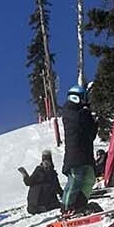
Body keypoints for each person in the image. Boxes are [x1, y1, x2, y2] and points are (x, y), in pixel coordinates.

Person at [60, 84, 97, 213]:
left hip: (86, 154)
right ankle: (66, 207)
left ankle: (80, 204)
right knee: (75, 180)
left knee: (90, 178)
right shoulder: (69, 110)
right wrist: (86, 112)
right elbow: (77, 120)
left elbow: (91, 133)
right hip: (75, 154)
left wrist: (92, 119)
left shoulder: (83, 113)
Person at [19, 150, 63, 214]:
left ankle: (41, 207)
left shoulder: (39, 170)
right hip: (43, 205)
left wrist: (25, 175)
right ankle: (44, 207)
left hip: (32, 207)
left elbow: (28, 182)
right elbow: (58, 188)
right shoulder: (49, 172)